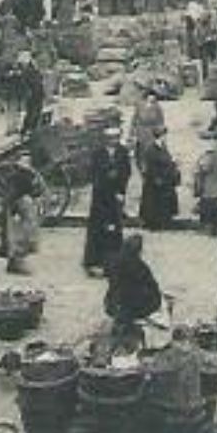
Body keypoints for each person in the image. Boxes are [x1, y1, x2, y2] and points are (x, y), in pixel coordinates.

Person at [104, 234, 164, 352]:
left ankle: (121, 330)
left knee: (124, 309)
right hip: (136, 304)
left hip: (116, 302)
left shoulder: (114, 262)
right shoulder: (139, 266)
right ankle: (127, 335)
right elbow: (151, 287)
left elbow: (113, 282)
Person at [83, 129, 131, 275]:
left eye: (115, 138)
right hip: (100, 196)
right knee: (97, 228)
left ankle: (114, 261)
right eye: (110, 139)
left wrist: (122, 191)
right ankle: (94, 259)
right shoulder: (98, 153)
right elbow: (92, 172)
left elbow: (126, 172)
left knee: (114, 229)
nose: (113, 141)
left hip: (115, 195)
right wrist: (104, 177)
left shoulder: (122, 152)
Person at [138, 128, 181, 231]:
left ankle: (163, 222)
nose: (166, 138)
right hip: (155, 181)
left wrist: (173, 163)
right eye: (164, 136)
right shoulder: (151, 149)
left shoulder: (163, 148)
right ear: (160, 136)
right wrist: (156, 178)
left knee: (163, 203)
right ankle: (153, 224)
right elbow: (150, 166)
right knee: (154, 203)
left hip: (164, 179)